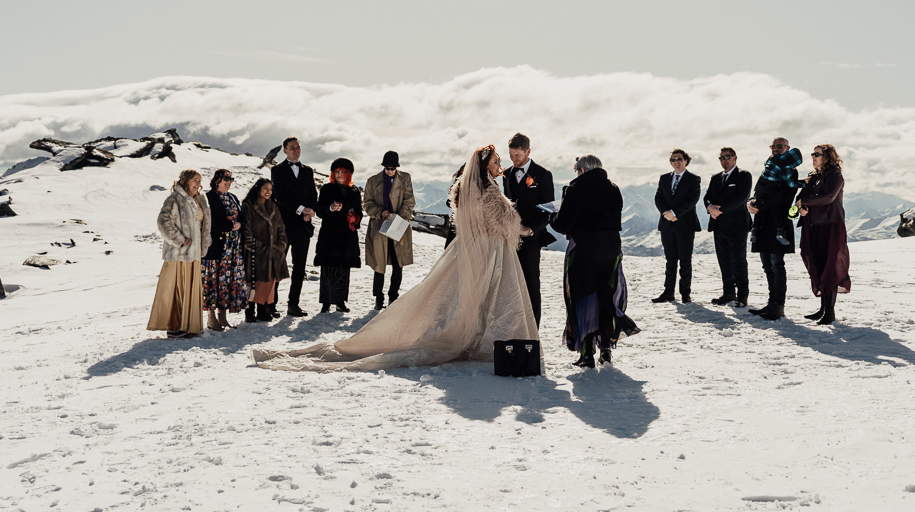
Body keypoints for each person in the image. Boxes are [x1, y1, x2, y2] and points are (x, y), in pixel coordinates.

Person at [251, 145, 539, 371]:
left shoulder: (478, 186)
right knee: (486, 294)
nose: (500, 165)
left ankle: (478, 337)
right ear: (485, 165)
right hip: (489, 250)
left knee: (469, 293)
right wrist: (524, 229)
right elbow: (502, 220)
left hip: (477, 248)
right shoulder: (488, 189)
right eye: (496, 161)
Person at [550, 155, 640, 369]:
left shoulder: (574, 190)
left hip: (584, 250)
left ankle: (587, 354)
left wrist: (551, 216)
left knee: (583, 300)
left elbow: (563, 224)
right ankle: (606, 349)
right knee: (605, 297)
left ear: (581, 170)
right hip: (611, 250)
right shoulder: (613, 188)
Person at [148, 169, 210, 339]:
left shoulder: (200, 200)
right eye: (194, 180)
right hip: (178, 252)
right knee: (176, 289)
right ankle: (174, 327)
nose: (198, 184)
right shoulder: (175, 198)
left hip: (194, 253)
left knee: (190, 290)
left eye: (199, 181)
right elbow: (163, 220)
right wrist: (179, 239)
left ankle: (189, 326)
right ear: (186, 181)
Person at [502, 133, 556, 326]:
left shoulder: (543, 175)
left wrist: (530, 229)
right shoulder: (506, 174)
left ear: (528, 152)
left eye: (517, 155)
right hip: (510, 239)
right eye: (511, 155)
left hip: (532, 240)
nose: (513, 159)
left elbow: (548, 211)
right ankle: (515, 327)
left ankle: (533, 330)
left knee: (531, 284)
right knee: (511, 285)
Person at [747, 137, 804, 321]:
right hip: (764, 222)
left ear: (787, 148)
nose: (775, 149)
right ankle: (771, 303)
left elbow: (781, 196)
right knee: (767, 266)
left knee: (777, 265)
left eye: (779, 146)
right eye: (773, 146)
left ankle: (778, 306)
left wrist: (758, 202)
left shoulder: (790, 171)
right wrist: (751, 202)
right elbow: (759, 190)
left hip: (778, 223)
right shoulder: (770, 166)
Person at [796, 144, 851, 325]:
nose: (813, 156)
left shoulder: (835, 174)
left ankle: (830, 312)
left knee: (830, 267)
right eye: (812, 154)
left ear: (827, 156)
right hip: (815, 226)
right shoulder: (815, 177)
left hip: (831, 226)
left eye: (817, 154)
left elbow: (829, 197)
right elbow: (802, 199)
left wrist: (805, 201)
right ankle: (822, 309)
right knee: (819, 266)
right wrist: (803, 207)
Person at [271, 137, 318, 317]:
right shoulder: (277, 170)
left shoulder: (307, 171)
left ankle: (293, 305)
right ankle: (271, 305)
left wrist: (311, 209)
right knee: (278, 266)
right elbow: (279, 196)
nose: (296, 150)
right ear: (285, 150)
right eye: (292, 148)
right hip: (283, 226)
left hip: (303, 226)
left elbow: (313, 193)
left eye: (298, 147)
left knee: (299, 268)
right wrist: (301, 209)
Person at [363, 151, 416, 310]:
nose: (390, 171)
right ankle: (378, 298)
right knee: (379, 264)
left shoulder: (405, 178)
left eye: (393, 168)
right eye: (387, 168)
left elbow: (409, 201)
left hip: (399, 225)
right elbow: (367, 203)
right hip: (379, 226)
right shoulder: (373, 181)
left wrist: (399, 218)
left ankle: (393, 296)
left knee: (398, 262)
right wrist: (381, 212)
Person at [703, 147, 753, 306]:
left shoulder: (744, 175)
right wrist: (709, 207)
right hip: (718, 225)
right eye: (721, 158)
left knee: (739, 261)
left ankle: (742, 296)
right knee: (724, 261)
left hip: (737, 226)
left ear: (735, 158)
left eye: (727, 157)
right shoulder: (715, 178)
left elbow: (742, 198)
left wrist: (719, 210)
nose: (724, 160)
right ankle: (729, 293)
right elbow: (707, 197)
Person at [652, 149, 702, 303]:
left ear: (686, 161)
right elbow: (658, 198)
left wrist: (675, 213)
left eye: (679, 159)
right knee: (670, 260)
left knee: (685, 261)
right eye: (673, 160)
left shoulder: (694, 179)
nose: (676, 162)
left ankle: (685, 294)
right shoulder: (664, 178)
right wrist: (666, 213)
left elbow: (692, 200)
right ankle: (668, 292)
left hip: (685, 225)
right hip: (667, 224)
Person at [314, 158, 363, 313]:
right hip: (330, 235)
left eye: (343, 172)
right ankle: (326, 302)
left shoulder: (354, 191)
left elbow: (359, 212)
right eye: (337, 172)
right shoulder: (326, 189)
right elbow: (320, 210)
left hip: (346, 236)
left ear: (349, 174)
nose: (340, 174)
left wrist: (355, 218)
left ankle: (340, 301)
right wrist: (330, 208)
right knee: (327, 269)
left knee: (343, 270)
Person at [202, 169, 245, 331]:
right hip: (217, 246)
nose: (228, 182)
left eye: (230, 179)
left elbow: (241, 217)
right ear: (217, 180)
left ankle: (223, 316)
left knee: (227, 281)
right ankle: (211, 317)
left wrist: (240, 225)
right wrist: (229, 226)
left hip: (233, 247)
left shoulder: (232, 197)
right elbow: (208, 222)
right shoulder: (209, 197)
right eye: (225, 179)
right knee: (213, 280)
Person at [241, 177, 289, 321]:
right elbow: (246, 231)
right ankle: (250, 311)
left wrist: (281, 244)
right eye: (265, 188)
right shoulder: (248, 206)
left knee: (269, 282)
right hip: (256, 252)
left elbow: (281, 227)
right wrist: (257, 247)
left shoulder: (273, 206)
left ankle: (263, 310)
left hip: (274, 252)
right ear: (258, 189)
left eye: (270, 189)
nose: (268, 191)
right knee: (254, 282)